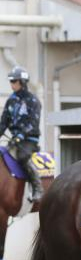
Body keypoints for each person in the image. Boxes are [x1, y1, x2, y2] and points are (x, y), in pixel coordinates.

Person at [0, 66, 43, 202]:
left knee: (22, 157)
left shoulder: (33, 101)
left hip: (29, 140)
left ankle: (37, 188)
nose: (12, 84)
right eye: (11, 82)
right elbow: (3, 123)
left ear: (22, 82)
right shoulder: (11, 100)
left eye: (14, 81)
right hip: (14, 140)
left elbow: (33, 123)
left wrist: (20, 136)